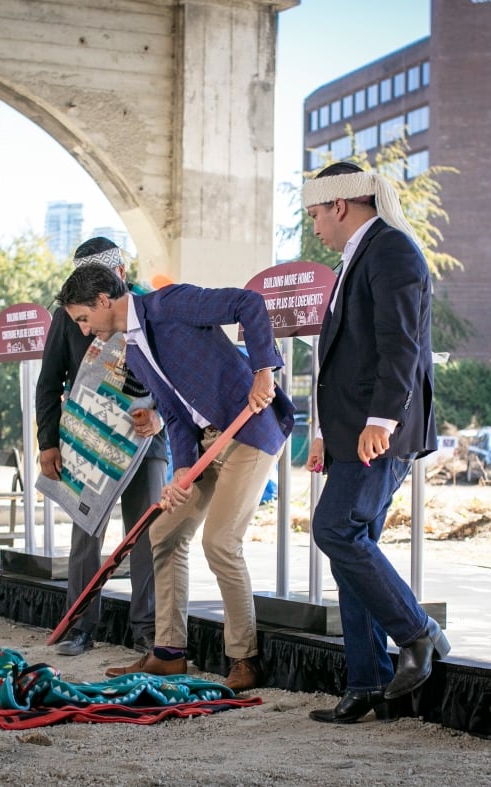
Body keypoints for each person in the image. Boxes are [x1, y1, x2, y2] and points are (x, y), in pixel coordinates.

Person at [55, 264, 294, 692]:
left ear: (104, 301)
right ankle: (168, 653)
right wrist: (182, 467)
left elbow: (248, 303)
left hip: (251, 431)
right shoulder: (133, 353)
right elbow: (177, 415)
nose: (86, 331)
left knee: (220, 542)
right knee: (164, 534)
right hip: (205, 446)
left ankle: (245, 658)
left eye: (83, 319)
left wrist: (263, 370)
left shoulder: (171, 303)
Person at [301, 161, 450, 724]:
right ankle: (368, 683)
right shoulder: (355, 258)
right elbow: (335, 359)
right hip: (351, 433)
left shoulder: (392, 250)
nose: (314, 226)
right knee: (350, 549)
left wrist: (381, 421)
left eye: (316, 213)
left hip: (379, 432)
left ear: (340, 205)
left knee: (335, 530)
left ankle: (418, 633)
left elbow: (401, 346)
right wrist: (321, 432)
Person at [36, 238, 166, 657]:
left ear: (120, 276)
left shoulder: (152, 308)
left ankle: (146, 628)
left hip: (146, 442)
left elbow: (171, 375)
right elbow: (49, 380)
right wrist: (48, 443)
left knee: (146, 534)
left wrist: (159, 417)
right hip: (87, 441)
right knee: (85, 533)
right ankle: (79, 625)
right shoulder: (68, 316)